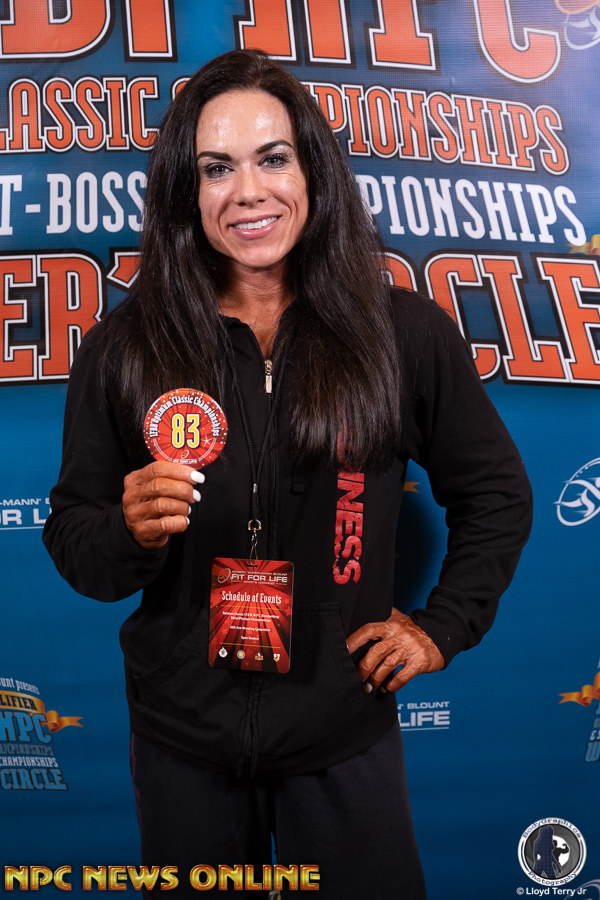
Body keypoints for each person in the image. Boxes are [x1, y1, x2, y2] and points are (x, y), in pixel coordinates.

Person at [43, 49, 532, 898]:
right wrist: (127, 532)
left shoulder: (401, 333)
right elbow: (75, 537)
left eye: (273, 158)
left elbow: (496, 493)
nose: (248, 192)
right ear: (185, 191)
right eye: (216, 168)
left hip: (343, 733)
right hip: (182, 739)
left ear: (313, 171)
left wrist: (443, 625)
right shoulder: (127, 347)